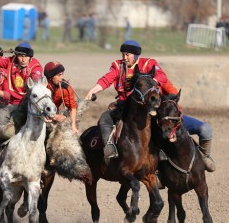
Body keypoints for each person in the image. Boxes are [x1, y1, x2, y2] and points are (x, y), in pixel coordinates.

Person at [84, 40, 216, 172]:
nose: (124, 58)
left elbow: (162, 77)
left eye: (127, 54)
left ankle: (203, 157)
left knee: (201, 129)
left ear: (135, 56)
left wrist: (151, 83)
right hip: (127, 109)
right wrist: (93, 90)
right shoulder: (117, 66)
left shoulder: (149, 64)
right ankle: (110, 148)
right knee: (105, 119)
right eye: (123, 54)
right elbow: (106, 79)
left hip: (154, 109)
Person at [0, 42, 43, 154]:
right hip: (13, 104)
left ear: (30, 57)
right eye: (20, 56)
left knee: (47, 127)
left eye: (26, 56)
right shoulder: (10, 61)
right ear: (16, 55)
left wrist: (33, 82)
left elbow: (36, 80)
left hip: (30, 104)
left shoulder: (35, 67)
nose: (23, 59)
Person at [43, 61, 79, 134]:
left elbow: (72, 107)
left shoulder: (65, 88)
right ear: (50, 77)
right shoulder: (41, 87)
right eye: (59, 75)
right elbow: (36, 108)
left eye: (62, 74)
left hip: (54, 112)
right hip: (39, 114)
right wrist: (54, 117)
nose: (62, 77)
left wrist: (73, 126)